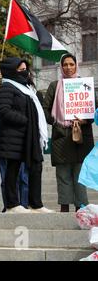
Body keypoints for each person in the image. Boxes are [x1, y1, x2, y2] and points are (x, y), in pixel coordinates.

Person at [0, 57, 54, 213]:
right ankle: (12, 204)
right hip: (13, 137)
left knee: (36, 166)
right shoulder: (6, 87)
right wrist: (25, 120)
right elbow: (4, 111)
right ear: (11, 71)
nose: (25, 72)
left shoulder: (28, 89)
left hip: (31, 136)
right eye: (20, 70)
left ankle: (36, 203)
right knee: (13, 169)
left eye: (25, 69)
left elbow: (39, 111)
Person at [42, 53, 96, 212]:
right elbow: (45, 109)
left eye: (71, 64)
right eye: (65, 64)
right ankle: (64, 208)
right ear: (61, 66)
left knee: (80, 174)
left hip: (81, 136)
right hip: (61, 136)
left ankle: (82, 208)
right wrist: (56, 122)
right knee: (63, 174)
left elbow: (94, 111)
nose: (68, 68)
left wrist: (85, 121)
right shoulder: (54, 86)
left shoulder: (85, 85)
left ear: (76, 65)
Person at [0, 69, 29, 211]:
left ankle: (23, 204)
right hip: (5, 142)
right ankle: (9, 204)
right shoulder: (3, 90)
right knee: (7, 177)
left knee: (23, 177)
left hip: (23, 141)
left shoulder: (27, 92)